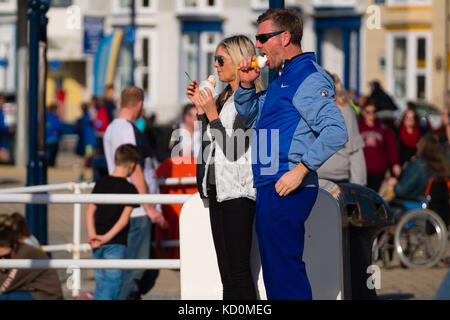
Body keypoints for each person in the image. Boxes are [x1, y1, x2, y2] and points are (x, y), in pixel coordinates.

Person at [234, 9, 348, 300]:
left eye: (262, 38)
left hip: (287, 185)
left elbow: (336, 131)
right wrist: (246, 85)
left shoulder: (308, 77)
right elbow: (250, 118)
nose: (257, 45)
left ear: (285, 37)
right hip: (270, 184)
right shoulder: (279, 77)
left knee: (285, 275)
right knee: (277, 275)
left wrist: (300, 171)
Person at [186, 35, 263, 300]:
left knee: (239, 272)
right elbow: (208, 148)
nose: (216, 65)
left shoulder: (248, 100)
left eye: (221, 59)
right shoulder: (222, 98)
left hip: (239, 193)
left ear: (239, 60)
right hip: (218, 189)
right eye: (214, 60)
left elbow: (232, 150)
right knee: (226, 274)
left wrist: (211, 115)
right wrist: (201, 112)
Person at [103, 86, 167, 300]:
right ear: (139, 104)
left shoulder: (112, 128)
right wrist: (148, 207)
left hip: (130, 206)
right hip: (138, 210)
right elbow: (134, 168)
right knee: (135, 272)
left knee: (143, 270)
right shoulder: (126, 129)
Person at [86, 144, 140, 300]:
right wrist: (107, 238)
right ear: (131, 165)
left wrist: (93, 235)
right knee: (113, 285)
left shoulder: (101, 183)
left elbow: (90, 210)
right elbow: (123, 220)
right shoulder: (130, 189)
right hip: (115, 242)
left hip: (96, 241)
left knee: (101, 283)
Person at [318, 72, 366, 185]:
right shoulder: (307, 110)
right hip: (310, 179)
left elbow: (355, 149)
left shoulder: (344, 111)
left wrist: (358, 186)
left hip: (337, 180)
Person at [0, 225, 63, 300]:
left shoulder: (23, 255)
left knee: (3, 297)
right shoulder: (20, 250)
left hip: (47, 295)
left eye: (6, 256)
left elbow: (5, 286)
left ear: (14, 246)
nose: (3, 260)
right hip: (38, 292)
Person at [358, 99, 401, 192]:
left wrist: (395, 163)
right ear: (363, 112)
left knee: (373, 195)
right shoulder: (358, 127)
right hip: (362, 169)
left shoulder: (383, 128)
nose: (371, 115)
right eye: (368, 112)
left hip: (378, 170)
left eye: (373, 112)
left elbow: (391, 147)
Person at [75, 102, 98, 181]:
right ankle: (91, 174)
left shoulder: (82, 118)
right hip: (89, 142)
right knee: (89, 157)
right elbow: (96, 122)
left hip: (86, 142)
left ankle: (83, 174)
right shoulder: (88, 117)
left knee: (88, 157)